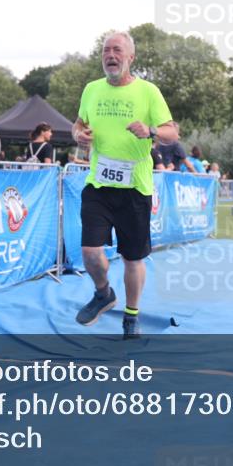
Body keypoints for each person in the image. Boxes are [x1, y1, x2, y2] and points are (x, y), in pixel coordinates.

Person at [72, 30, 176, 340]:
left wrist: (151, 130)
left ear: (131, 57)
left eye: (117, 50)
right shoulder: (91, 89)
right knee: (91, 252)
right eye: (106, 50)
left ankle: (131, 315)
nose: (110, 55)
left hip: (135, 188)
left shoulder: (148, 92)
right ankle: (103, 293)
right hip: (99, 185)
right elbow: (79, 123)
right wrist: (78, 134)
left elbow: (172, 133)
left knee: (132, 258)